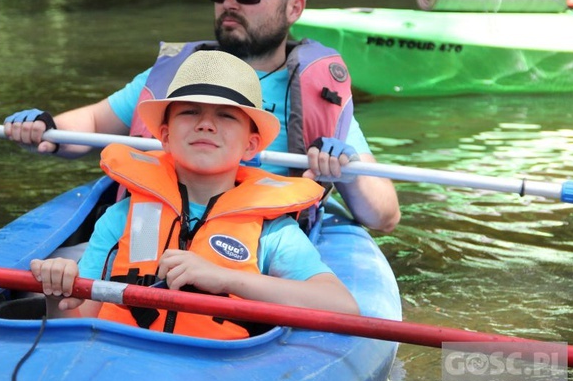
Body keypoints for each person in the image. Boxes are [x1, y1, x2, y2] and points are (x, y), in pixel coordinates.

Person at [5, 0, 400, 232]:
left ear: (294, 8)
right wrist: (46, 129)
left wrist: (347, 173)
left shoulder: (321, 94)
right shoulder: (177, 74)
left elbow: (384, 216)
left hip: (258, 237)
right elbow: (92, 123)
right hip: (156, 226)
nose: (229, 3)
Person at [30, 50, 360, 339]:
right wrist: (55, 292)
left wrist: (223, 278)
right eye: (189, 112)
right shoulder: (126, 220)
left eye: (226, 116)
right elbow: (77, 326)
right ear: (165, 135)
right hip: (122, 366)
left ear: (251, 145)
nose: (205, 124)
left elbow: (343, 307)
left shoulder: (271, 232)